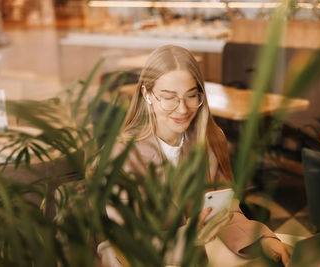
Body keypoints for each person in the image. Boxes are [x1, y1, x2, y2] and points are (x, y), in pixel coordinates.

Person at [99, 45, 292, 266]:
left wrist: (264, 242)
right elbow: (127, 241)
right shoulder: (121, 156)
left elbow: (224, 212)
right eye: (169, 97)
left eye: (191, 96)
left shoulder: (209, 140)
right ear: (147, 94)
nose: (182, 109)